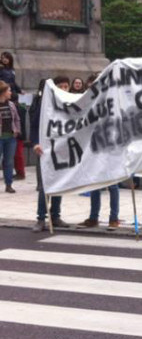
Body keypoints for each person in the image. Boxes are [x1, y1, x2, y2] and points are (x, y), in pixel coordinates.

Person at [31, 76, 71, 232]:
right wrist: (35, 143)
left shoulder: (70, 105)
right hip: (45, 149)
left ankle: (55, 215)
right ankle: (41, 218)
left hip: (61, 149)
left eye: (66, 86)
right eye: (60, 86)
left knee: (59, 183)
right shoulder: (44, 104)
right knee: (44, 186)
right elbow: (34, 126)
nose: (63, 89)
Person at [0, 80, 20, 193]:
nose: (11, 92)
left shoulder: (11, 104)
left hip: (11, 137)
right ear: (2, 92)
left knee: (8, 161)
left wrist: (17, 130)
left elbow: (17, 118)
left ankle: (9, 184)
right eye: (9, 90)